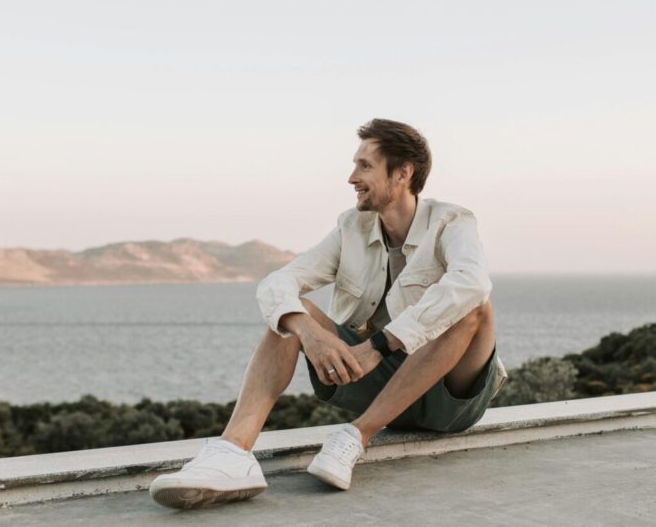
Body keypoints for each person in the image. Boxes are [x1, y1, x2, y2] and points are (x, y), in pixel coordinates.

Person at [150, 118, 507, 509]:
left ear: (403, 173)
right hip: (377, 384)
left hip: (451, 397)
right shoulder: (350, 226)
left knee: (475, 309)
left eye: (365, 166)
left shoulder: (452, 221)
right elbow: (277, 283)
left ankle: (354, 437)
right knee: (288, 315)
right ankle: (233, 454)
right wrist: (308, 330)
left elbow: (472, 282)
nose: (352, 177)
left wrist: (379, 345)